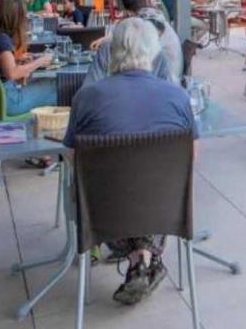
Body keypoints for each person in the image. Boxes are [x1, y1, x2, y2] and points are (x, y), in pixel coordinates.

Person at [64, 18, 198, 307]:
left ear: (113, 51)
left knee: (106, 187)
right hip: (164, 209)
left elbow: (74, 158)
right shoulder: (178, 97)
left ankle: (139, 263)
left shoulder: (86, 98)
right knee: (148, 186)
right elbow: (190, 157)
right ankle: (145, 260)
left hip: (103, 213)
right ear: (154, 53)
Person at [0, 0, 55, 115]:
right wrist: (40, 61)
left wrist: (15, 59)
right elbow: (12, 74)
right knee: (56, 84)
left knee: (41, 81)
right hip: (9, 102)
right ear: (13, 17)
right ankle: (60, 124)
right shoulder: (2, 39)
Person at [85, 0, 182, 85]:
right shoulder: (153, 17)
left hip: (168, 78)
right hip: (167, 77)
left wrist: (109, 41)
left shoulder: (150, 24)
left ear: (128, 12)